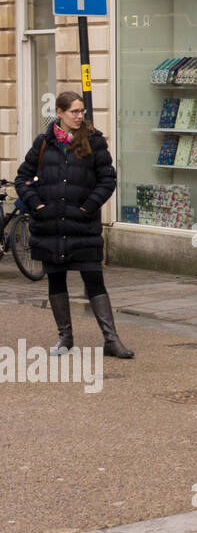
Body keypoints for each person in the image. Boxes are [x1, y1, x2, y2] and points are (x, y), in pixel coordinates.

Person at [15, 91, 132, 358]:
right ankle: (65, 338)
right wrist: (37, 205)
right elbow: (22, 178)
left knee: (94, 278)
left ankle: (111, 340)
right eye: (74, 112)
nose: (79, 116)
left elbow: (107, 179)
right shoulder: (44, 142)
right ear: (59, 112)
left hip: (82, 225)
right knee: (56, 279)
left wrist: (87, 207)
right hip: (51, 226)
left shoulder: (94, 141)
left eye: (82, 111)